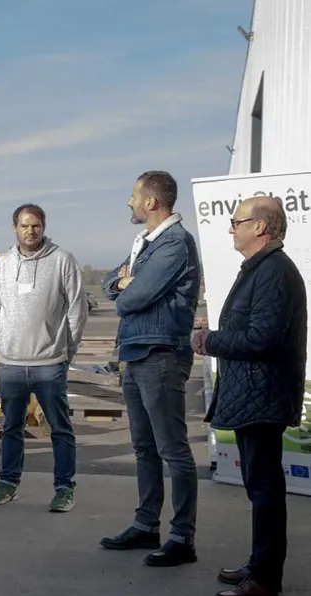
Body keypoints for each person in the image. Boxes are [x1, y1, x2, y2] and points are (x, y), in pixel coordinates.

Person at [194, 196, 307, 596]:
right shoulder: (264, 269)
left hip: (263, 396)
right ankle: (260, 566)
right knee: (260, 487)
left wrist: (208, 341)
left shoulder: (274, 271)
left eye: (236, 221)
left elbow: (262, 338)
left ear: (260, 227)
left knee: (264, 489)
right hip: (255, 395)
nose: (230, 228)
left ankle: (264, 579)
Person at [99, 171, 201, 568]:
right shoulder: (146, 244)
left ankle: (182, 537)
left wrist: (128, 285)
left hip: (161, 354)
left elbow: (130, 299)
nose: (129, 203)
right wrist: (123, 282)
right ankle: (146, 525)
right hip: (137, 353)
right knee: (144, 448)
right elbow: (112, 283)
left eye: (133, 196)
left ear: (151, 202)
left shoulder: (175, 244)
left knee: (172, 449)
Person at [0, 203, 87, 511]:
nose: (30, 231)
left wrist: (65, 352)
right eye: (24, 226)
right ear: (14, 228)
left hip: (49, 364)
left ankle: (64, 487)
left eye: (36, 226)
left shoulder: (62, 261)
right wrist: (4, 342)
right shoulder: (3, 264)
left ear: (43, 227)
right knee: (12, 426)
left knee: (59, 428)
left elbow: (76, 311)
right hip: (11, 365)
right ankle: (8, 483)